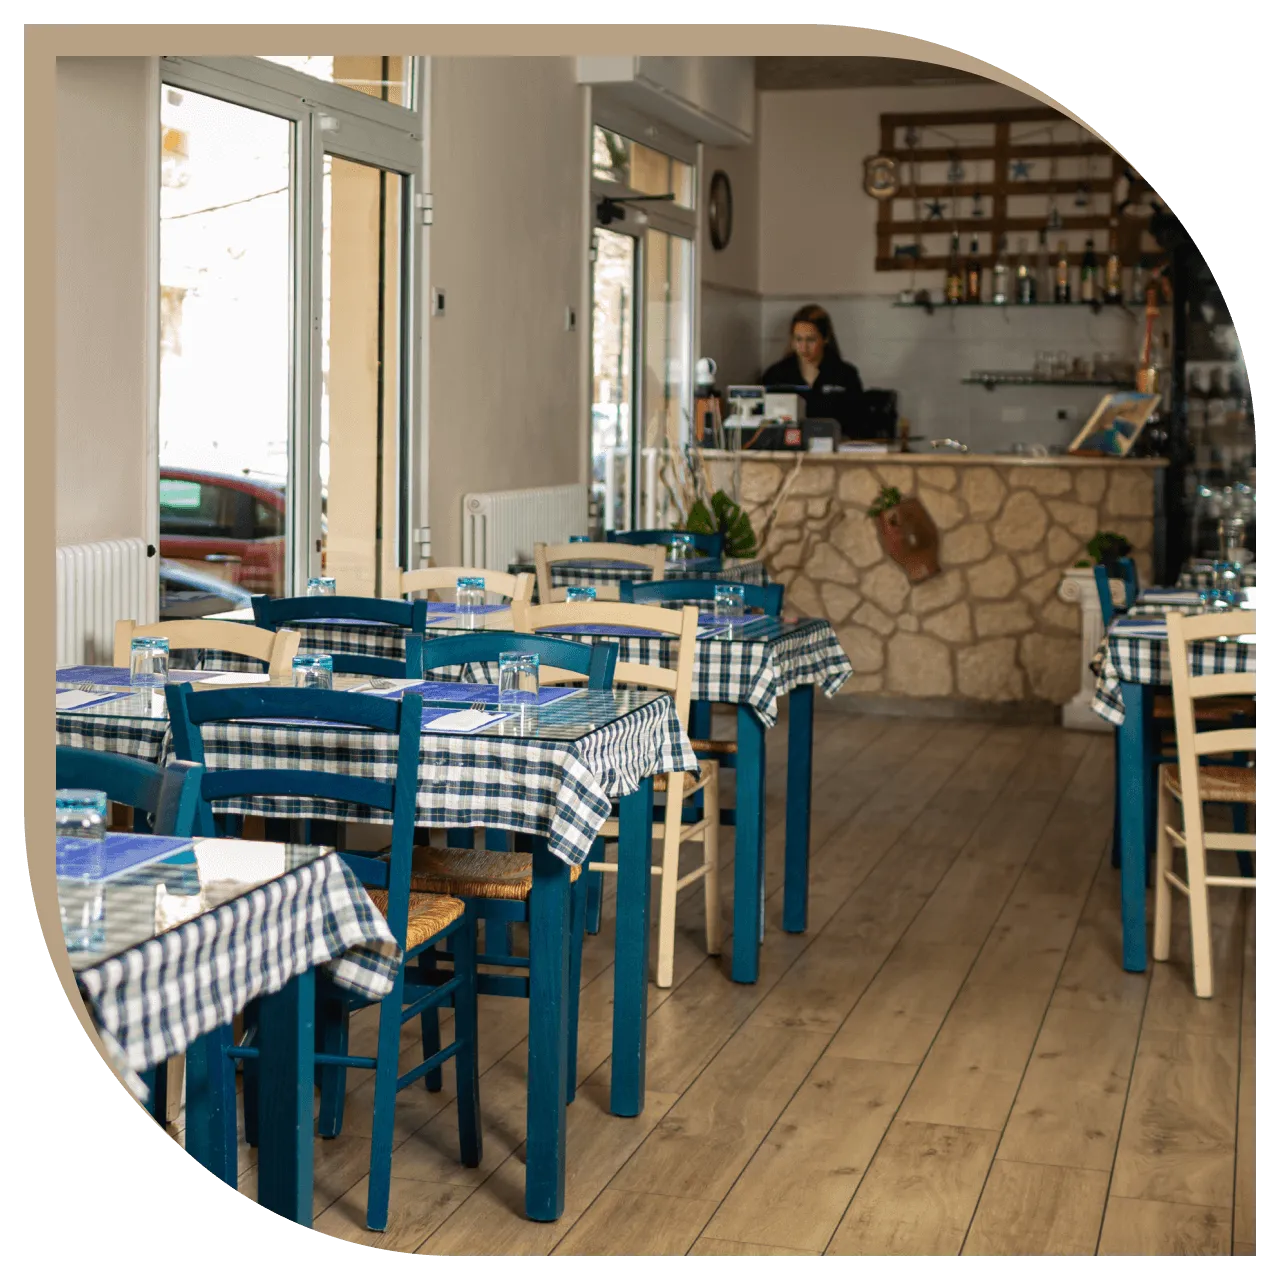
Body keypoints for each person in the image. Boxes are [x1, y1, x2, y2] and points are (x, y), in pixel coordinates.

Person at [760, 304, 865, 439]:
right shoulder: (776, 375)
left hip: (835, 447)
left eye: (811, 340)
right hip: (789, 445)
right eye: (798, 339)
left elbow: (859, 423)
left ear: (825, 339)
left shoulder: (845, 375)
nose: (804, 347)